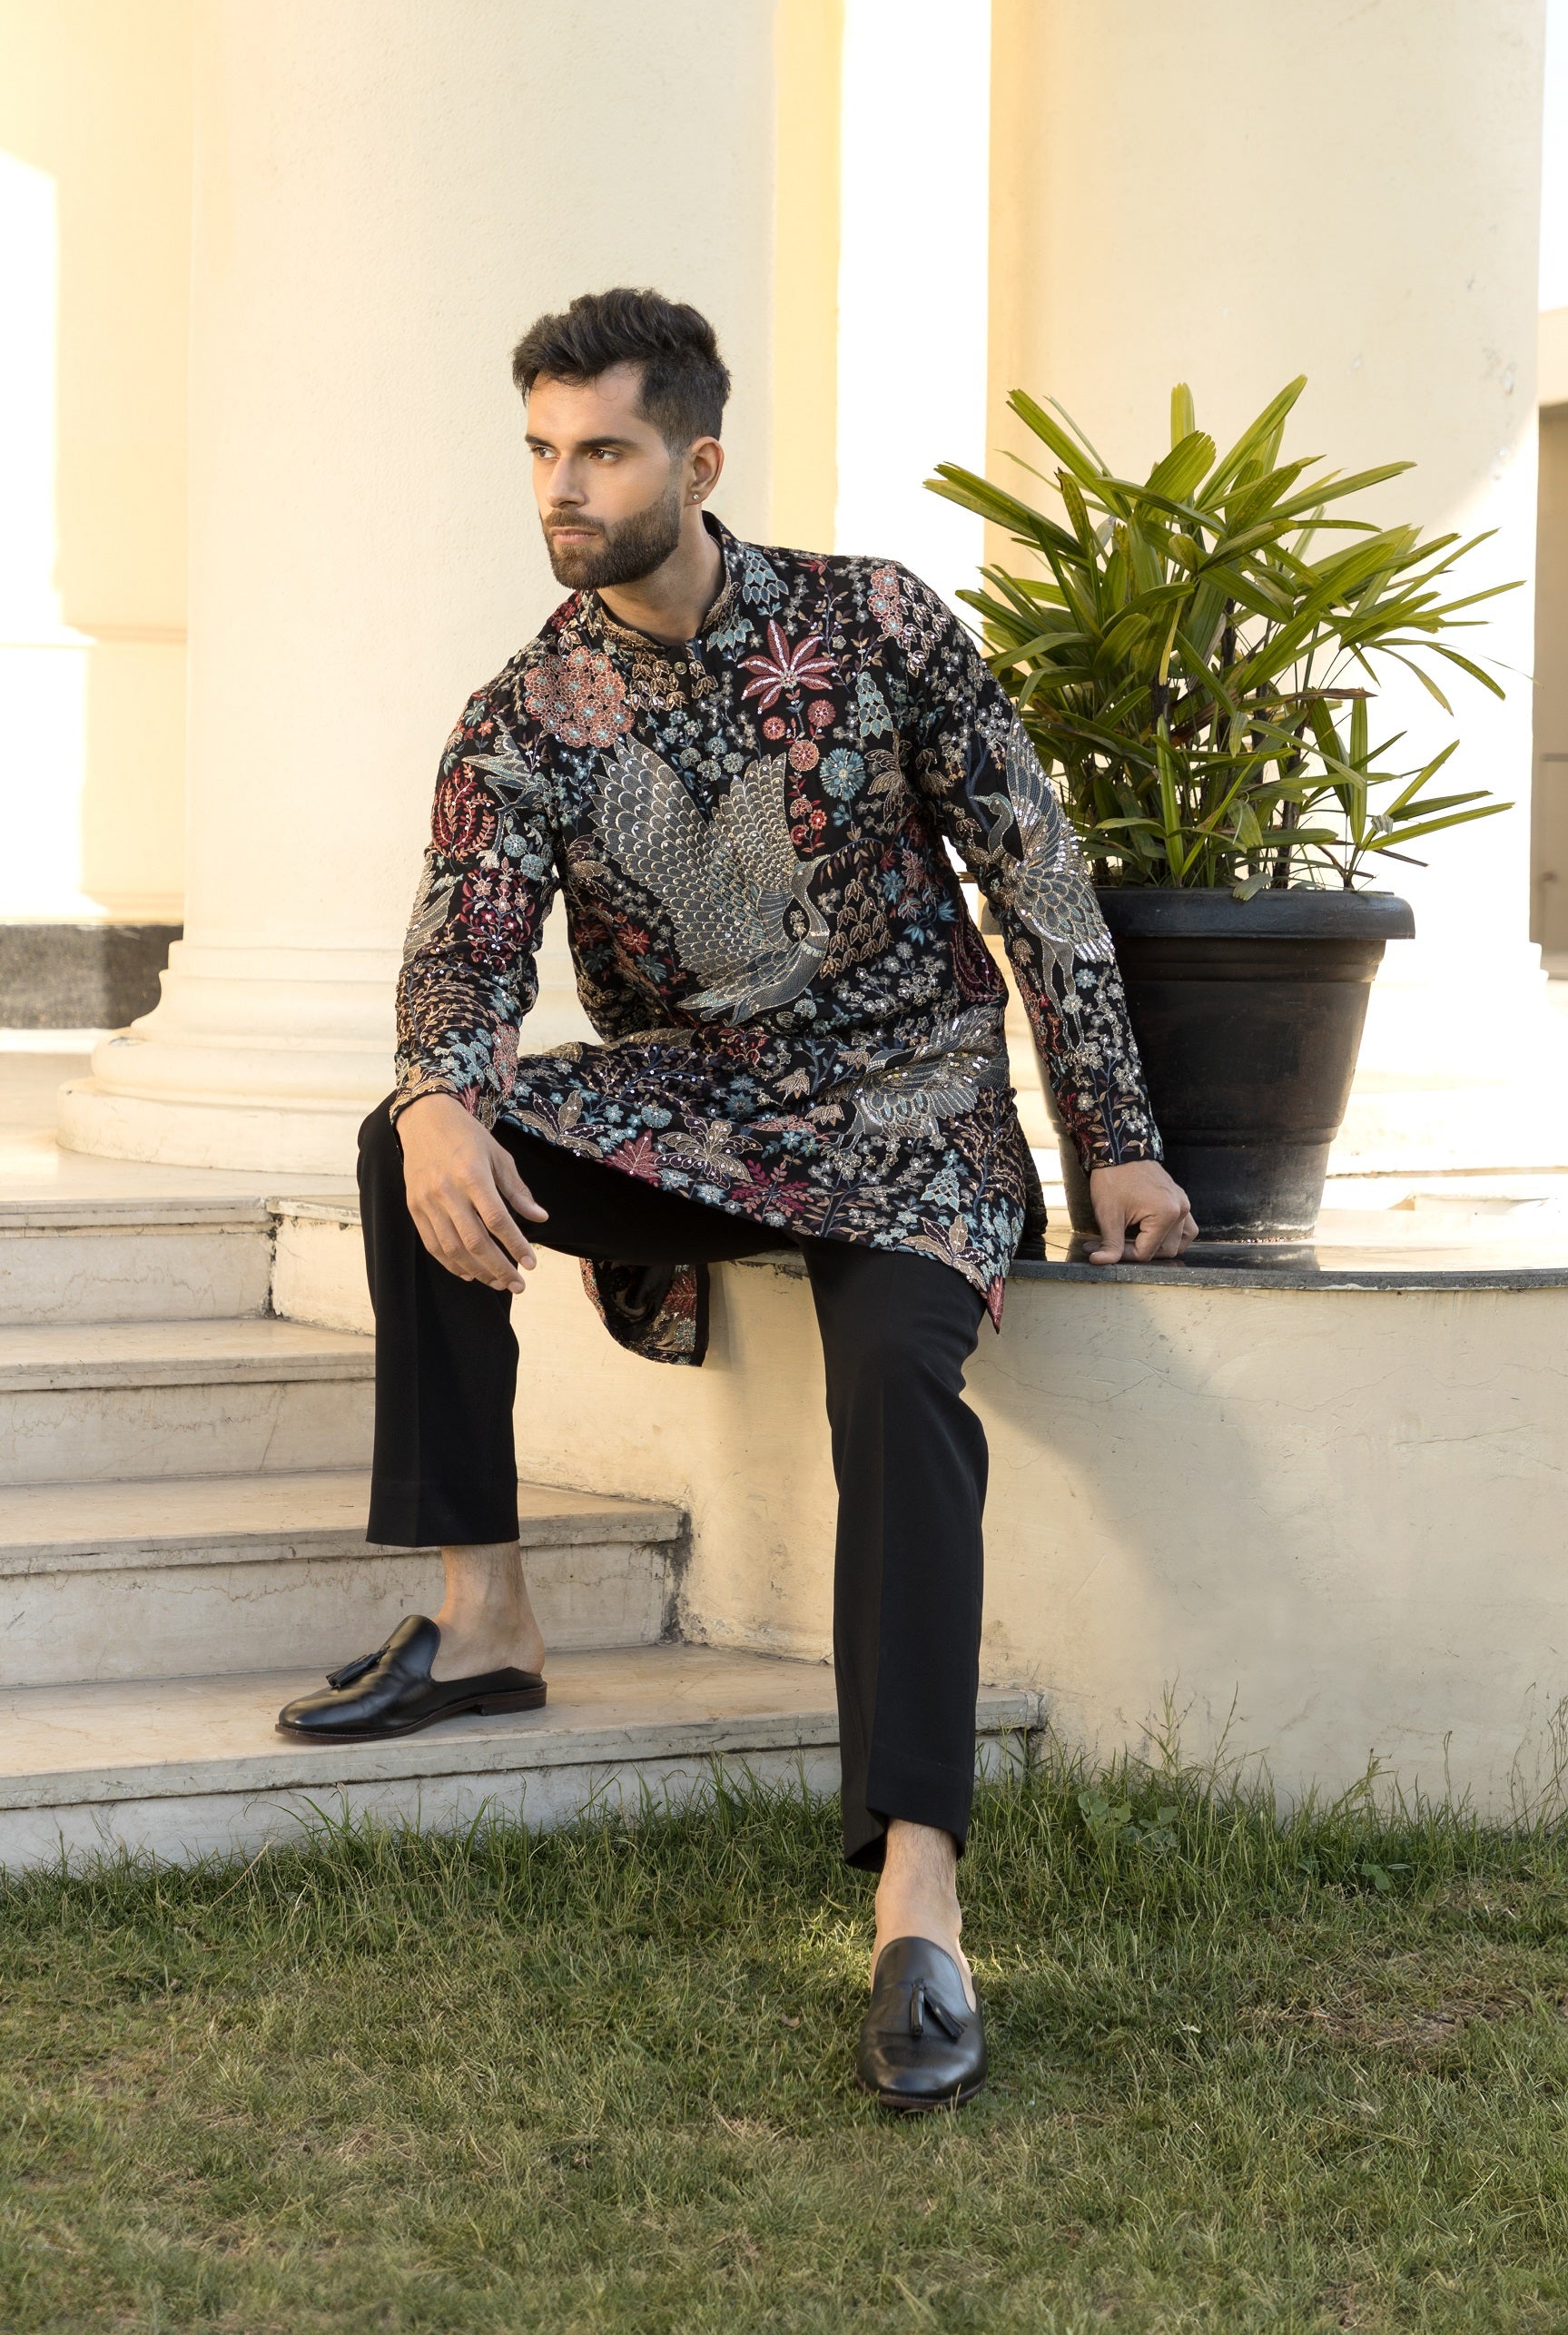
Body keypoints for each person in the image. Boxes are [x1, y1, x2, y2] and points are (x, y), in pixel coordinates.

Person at [278, 288, 1196, 2112]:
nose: (563, 485)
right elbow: (463, 948)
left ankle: (918, 1895)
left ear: (697, 461)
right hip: (696, 1114)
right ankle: (485, 1616)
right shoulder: (525, 715)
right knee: (418, 1135)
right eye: (542, 450)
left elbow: (1035, 870)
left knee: (896, 1390)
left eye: (603, 450)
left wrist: (1115, 1129)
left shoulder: (875, 622)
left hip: (914, 1111)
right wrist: (441, 1095)